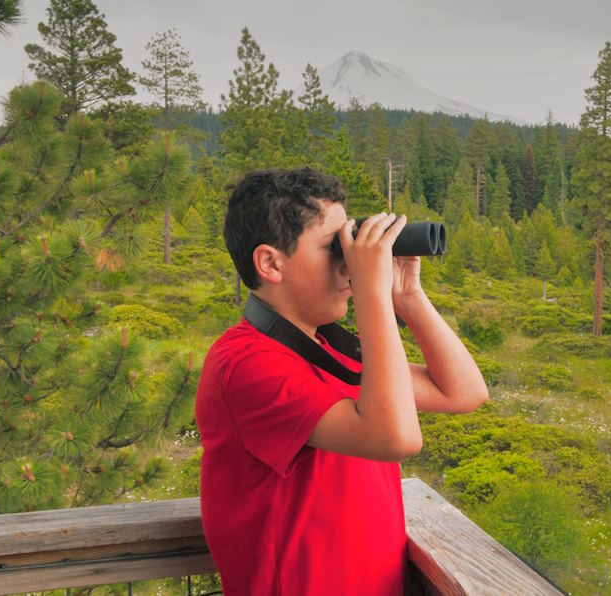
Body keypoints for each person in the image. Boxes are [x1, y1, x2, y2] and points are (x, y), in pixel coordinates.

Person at [196, 167, 488, 595]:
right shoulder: (244, 364)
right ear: (270, 263)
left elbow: (462, 392)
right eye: (334, 248)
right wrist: (371, 291)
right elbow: (396, 438)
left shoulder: (325, 349)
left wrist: (407, 296)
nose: (348, 264)